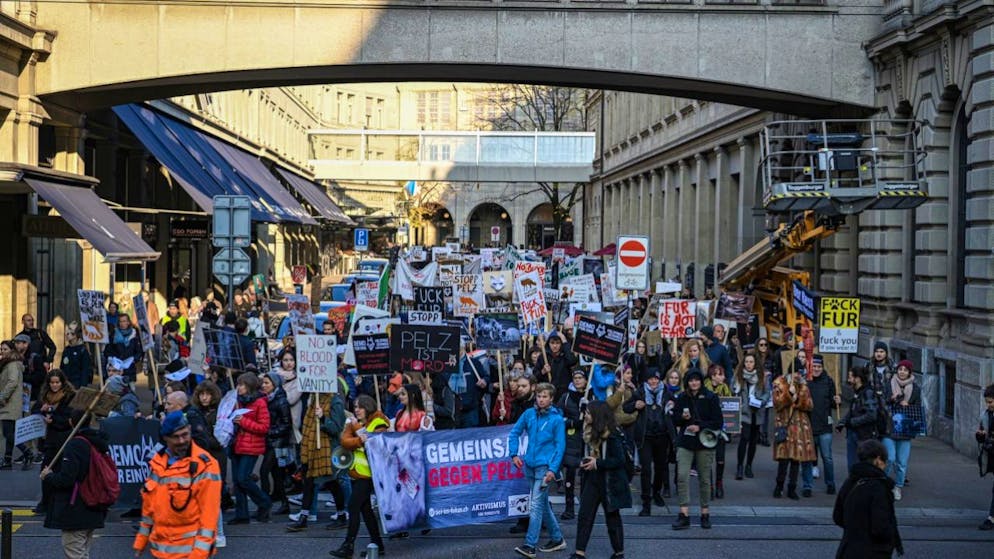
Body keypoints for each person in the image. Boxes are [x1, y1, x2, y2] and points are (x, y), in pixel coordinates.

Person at [134, 411, 222, 559]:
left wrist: (198, 555)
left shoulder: (205, 465)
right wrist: (140, 543)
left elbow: (209, 518)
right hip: (159, 551)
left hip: (190, 553)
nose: (182, 441)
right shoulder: (158, 462)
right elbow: (149, 509)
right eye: (176, 437)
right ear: (165, 438)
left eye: (185, 434)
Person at [40, 408, 108, 559]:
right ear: (90, 421)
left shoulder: (75, 445)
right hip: (94, 505)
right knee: (83, 552)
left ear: (71, 422)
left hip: (76, 507)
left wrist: (49, 476)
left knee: (74, 551)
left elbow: (67, 479)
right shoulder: (97, 442)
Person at [509, 382, 567, 559]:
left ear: (551, 399)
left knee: (535, 505)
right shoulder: (529, 414)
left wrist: (553, 469)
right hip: (529, 466)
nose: (541, 400)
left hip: (544, 469)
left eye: (545, 397)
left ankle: (530, 545)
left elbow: (560, 446)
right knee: (541, 505)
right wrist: (514, 454)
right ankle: (557, 539)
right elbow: (514, 433)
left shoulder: (556, 420)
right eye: (539, 396)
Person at [329, 394, 389, 558]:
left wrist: (358, 433)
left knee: (353, 506)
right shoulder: (357, 423)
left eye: (359, 407)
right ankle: (378, 544)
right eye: (354, 407)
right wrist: (358, 438)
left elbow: (375, 443)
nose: (356, 410)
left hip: (370, 475)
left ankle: (348, 546)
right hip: (358, 473)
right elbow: (344, 441)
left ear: (368, 407)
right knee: (366, 510)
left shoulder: (379, 422)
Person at [568, 400, 630, 559]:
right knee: (584, 515)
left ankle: (619, 553)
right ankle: (579, 552)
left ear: (597, 415)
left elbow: (619, 460)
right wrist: (585, 462)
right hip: (592, 479)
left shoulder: (612, 434)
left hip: (610, 481)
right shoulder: (588, 431)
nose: (585, 415)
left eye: (588, 413)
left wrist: (598, 463)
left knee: (612, 517)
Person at [832, 439, 904, 559]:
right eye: (884, 461)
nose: (885, 465)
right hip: (873, 551)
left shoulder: (850, 481)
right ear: (878, 459)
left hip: (848, 549)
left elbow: (837, 517)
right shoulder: (879, 487)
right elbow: (881, 526)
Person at [671, 368, 722, 530]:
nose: (694, 383)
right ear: (687, 382)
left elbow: (717, 421)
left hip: (704, 442)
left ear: (701, 381)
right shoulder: (682, 397)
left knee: (705, 479)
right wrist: (681, 418)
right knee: (682, 476)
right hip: (685, 442)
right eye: (691, 380)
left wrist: (699, 426)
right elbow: (674, 419)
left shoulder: (710, 397)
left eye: (696, 380)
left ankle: (705, 513)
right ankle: (683, 514)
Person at [627, 369, 673, 516]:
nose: (653, 382)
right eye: (650, 379)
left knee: (660, 468)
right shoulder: (640, 392)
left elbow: (676, 408)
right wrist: (635, 405)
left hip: (662, 435)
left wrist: (673, 406)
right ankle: (646, 502)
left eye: (656, 379)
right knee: (646, 470)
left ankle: (656, 492)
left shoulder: (666, 392)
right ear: (646, 381)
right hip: (645, 436)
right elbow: (625, 407)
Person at [228, 373, 272, 524]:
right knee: (237, 481)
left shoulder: (259, 402)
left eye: (242, 385)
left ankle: (264, 501)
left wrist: (244, 422)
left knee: (243, 478)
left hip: (251, 446)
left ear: (250, 386)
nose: (239, 388)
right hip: (236, 444)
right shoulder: (236, 401)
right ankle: (242, 514)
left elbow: (264, 427)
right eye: (238, 384)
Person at [31, 370, 76, 511]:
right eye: (52, 382)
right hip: (49, 440)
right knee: (46, 469)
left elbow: (69, 419)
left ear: (62, 383)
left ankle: (58, 502)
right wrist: (41, 411)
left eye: (57, 382)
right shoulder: (45, 395)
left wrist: (53, 420)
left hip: (63, 439)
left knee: (60, 471)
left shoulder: (69, 397)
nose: (54, 385)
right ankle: (46, 502)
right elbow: (35, 411)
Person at [772, 361, 816, 500]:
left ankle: (792, 487)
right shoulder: (779, 383)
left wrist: (799, 398)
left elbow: (809, 405)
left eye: (800, 372)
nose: (798, 375)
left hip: (799, 427)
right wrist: (788, 395)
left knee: (796, 460)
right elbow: (777, 403)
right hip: (785, 424)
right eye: (796, 372)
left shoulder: (804, 386)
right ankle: (779, 486)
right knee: (783, 460)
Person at [802, 355, 841, 496]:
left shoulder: (829, 381)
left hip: (825, 426)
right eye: (814, 367)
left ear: (822, 367)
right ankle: (807, 486)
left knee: (827, 458)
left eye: (819, 367)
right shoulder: (805, 382)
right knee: (807, 459)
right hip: (809, 426)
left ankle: (830, 484)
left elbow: (833, 403)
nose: (816, 369)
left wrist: (837, 401)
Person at [882, 360, 919, 501]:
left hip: (905, 428)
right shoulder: (889, 385)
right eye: (900, 369)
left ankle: (898, 486)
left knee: (902, 462)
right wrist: (891, 399)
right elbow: (882, 404)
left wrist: (907, 405)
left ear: (909, 372)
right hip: (889, 426)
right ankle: (883, 482)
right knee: (890, 458)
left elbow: (918, 409)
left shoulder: (915, 388)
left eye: (905, 369)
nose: (902, 371)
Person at [557, 370, 590, 521]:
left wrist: (588, 410)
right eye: (575, 378)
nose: (577, 381)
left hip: (587, 438)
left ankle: (586, 507)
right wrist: (572, 422)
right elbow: (558, 416)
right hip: (571, 439)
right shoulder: (566, 397)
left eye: (580, 378)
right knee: (570, 472)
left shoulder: (591, 394)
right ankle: (569, 507)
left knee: (586, 474)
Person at [260, 373, 293, 515]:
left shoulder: (281, 401)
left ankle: (264, 503)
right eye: (263, 383)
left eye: (267, 383)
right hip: (272, 441)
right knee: (276, 474)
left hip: (278, 443)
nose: (264, 385)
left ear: (274, 384)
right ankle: (284, 503)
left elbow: (287, 424)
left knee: (264, 471)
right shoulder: (268, 399)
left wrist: (269, 431)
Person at [734, 352, 770, 480]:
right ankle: (739, 466)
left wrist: (762, 402)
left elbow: (767, 393)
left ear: (755, 364)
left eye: (751, 362)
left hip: (757, 411)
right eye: (747, 362)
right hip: (745, 412)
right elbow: (734, 391)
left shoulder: (762, 377)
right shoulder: (739, 376)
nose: (749, 364)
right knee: (744, 438)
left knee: (753, 441)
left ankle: (749, 465)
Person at [839, 367, 882, 472]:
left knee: (861, 465)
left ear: (857, 379)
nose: (848, 380)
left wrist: (852, 422)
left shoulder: (867, 393)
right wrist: (843, 422)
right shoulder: (857, 392)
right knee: (853, 466)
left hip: (863, 435)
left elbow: (871, 415)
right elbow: (853, 410)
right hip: (854, 433)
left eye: (850, 377)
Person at [0, 340, 31, 469]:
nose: (2, 351)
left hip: (10, 403)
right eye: (1, 349)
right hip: (10, 403)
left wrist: (2, 397)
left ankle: (27, 452)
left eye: (5, 349)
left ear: (12, 350)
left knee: (9, 433)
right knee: (10, 433)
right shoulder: (9, 364)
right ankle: (7, 460)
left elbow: (12, 382)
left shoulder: (12, 364)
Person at [704, 364, 732, 499]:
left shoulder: (726, 389)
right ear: (713, 376)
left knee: (720, 458)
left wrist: (734, 424)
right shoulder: (704, 389)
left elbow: (732, 408)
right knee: (708, 458)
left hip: (722, 428)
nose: (724, 377)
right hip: (708, 429)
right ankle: (709, 485)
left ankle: (719, 483)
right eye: (720, 374)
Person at [536, 333, 578, 398]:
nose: (555, 346)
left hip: (563, 392)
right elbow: (536, 375)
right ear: (548, 343)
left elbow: (572, 361)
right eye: (552, 343)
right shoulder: (543, 357)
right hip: (547, 393)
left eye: (558, 343)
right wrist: (543, 371)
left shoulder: (565, 356)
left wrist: (565, 342)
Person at [976, 383, 994, 531]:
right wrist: (980, 436)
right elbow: (981, 435)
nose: (988, 405)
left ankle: (991, 517)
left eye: (991, 402)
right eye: (987, 402)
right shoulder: (986, 415)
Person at [106, 315, 143, 383]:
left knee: (130, 391)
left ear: (128, 322)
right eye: (120, 321)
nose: (122, 323)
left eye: (124, 321)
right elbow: (108, 351)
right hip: (116, 370)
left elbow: (139, 352)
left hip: (130, 370)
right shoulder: (114, 335)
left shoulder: (134, 335)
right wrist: (113, 359)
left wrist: (133, 360)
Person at [61, 323, 93, 389]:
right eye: (68, 330)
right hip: (66, 385)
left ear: (75, 334)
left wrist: (82, 387)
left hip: (77, 385)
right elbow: (62, 367)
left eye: (70, 331)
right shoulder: (66, 350)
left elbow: (85, 370)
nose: (67, 333)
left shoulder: (83, 350)